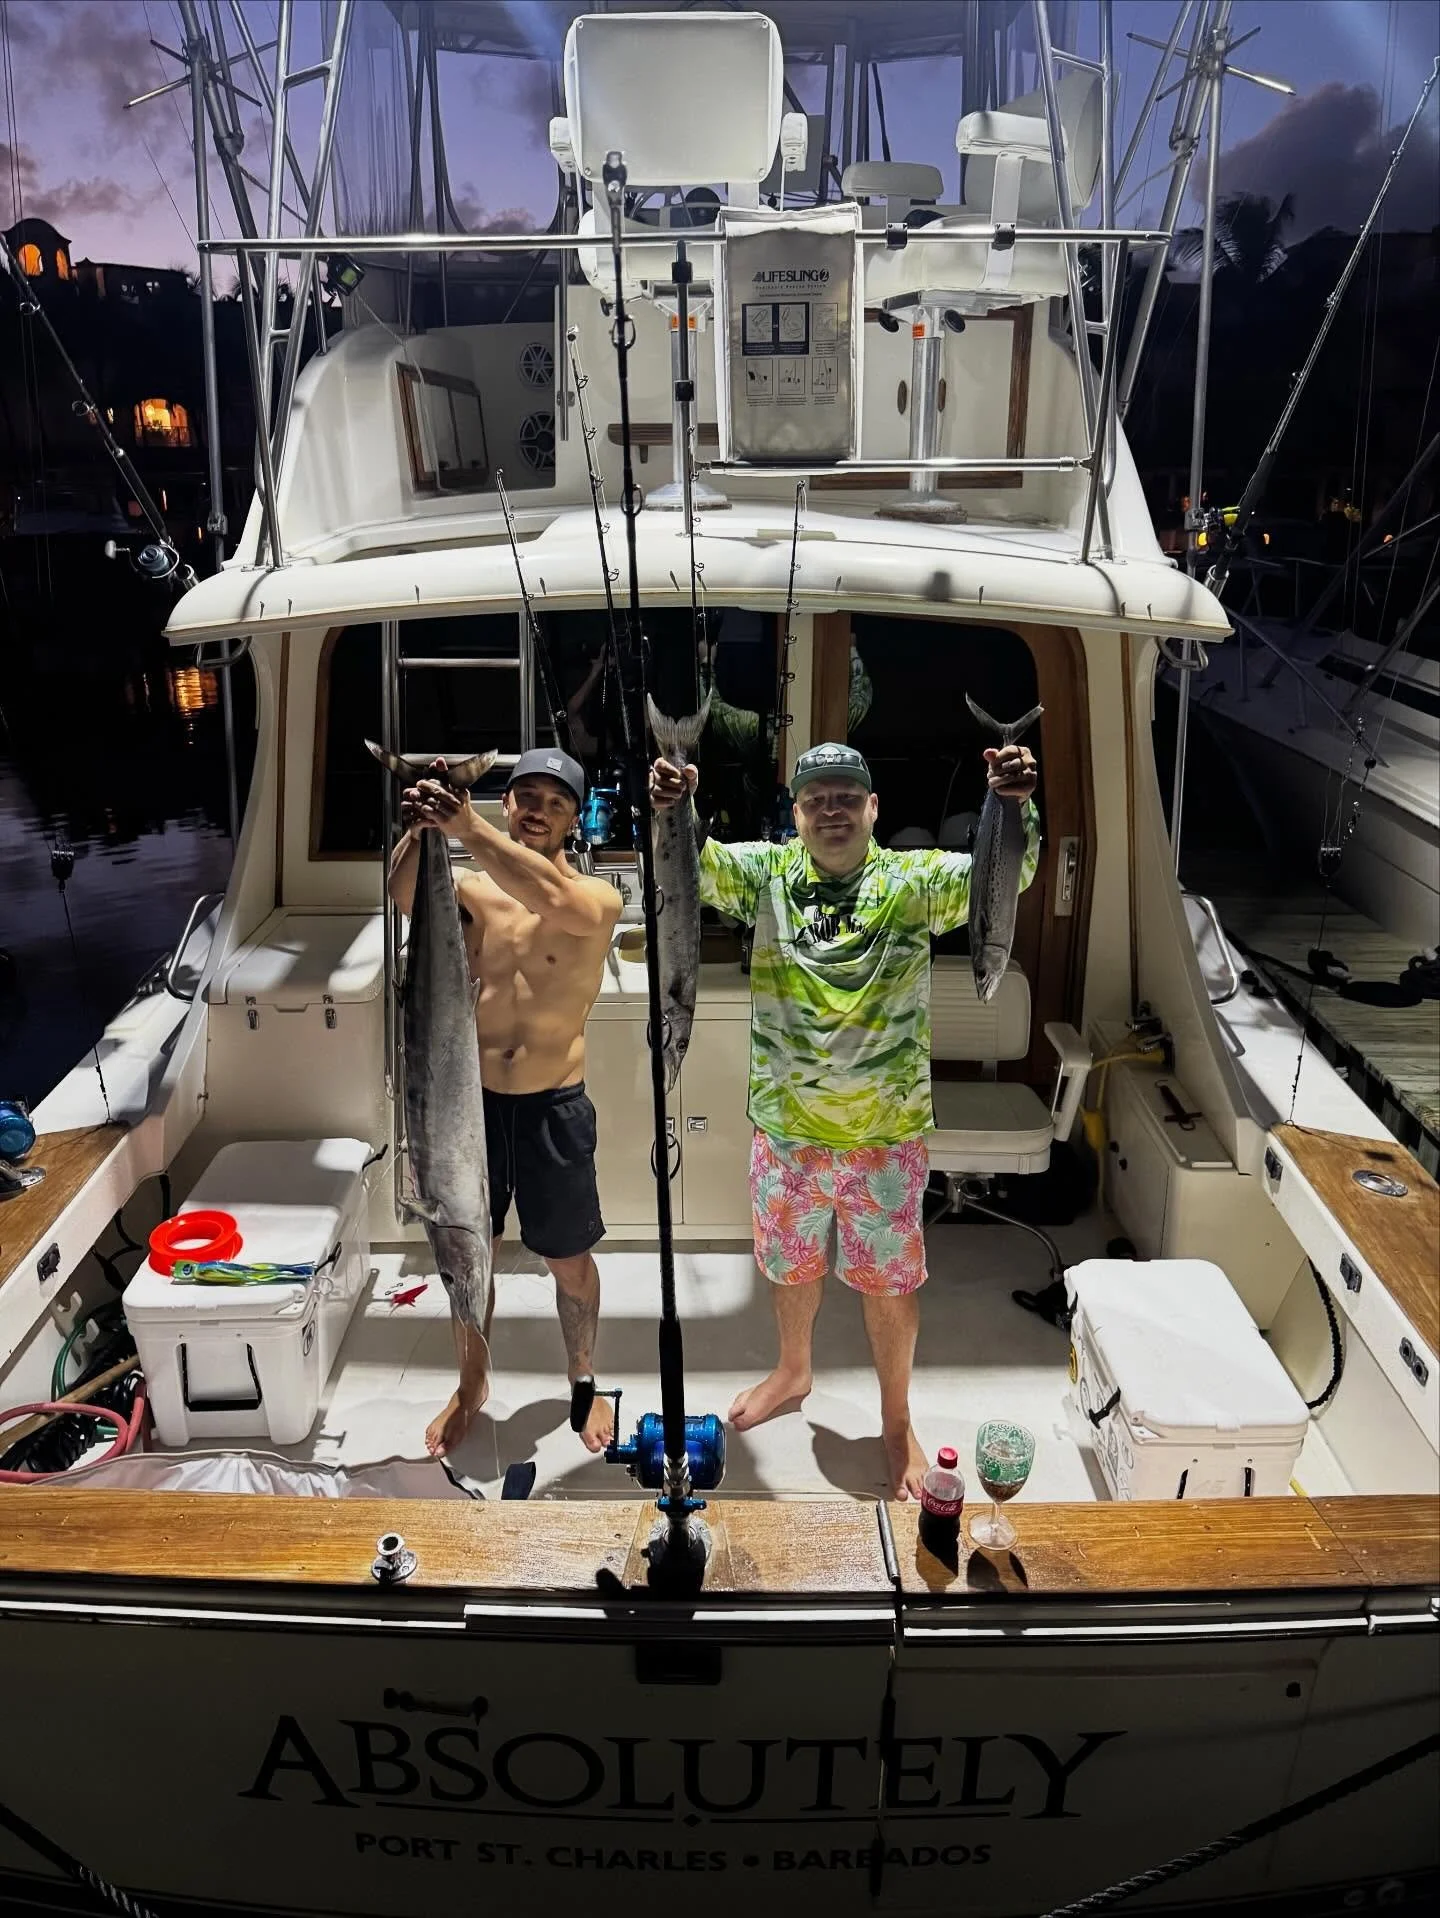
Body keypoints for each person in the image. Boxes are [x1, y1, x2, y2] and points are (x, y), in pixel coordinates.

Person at [650, 733, 1040, 1499]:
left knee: (888, 1286)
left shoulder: (912, 883)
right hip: (788, 1137)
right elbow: (694, 865)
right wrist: (676, 804)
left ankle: (896, 1422)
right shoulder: (765, 876)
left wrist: (1016, 805)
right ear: (795, 814)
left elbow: (1008, 874)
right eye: (814, 799)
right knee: (789, 1270)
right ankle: (793, 1370)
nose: (831, 810)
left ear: (872, 808)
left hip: (884, 1144)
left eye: (845, 797)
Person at [387, 746, 622, 1458]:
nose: (537, 810)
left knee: (569, 1260)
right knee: (468, 1254)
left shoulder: (597, 897)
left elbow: (554, 903)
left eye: (555, 802)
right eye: (526, 796)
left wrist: (465, 827)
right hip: (470, 1108)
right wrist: (423, 823)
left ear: (574, 819)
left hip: (553, 1107)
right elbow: (403, 894)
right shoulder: (472, 886)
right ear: (507, 803)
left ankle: (583, 1383)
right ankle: (471, 1384)